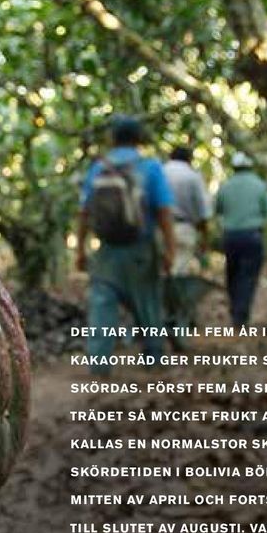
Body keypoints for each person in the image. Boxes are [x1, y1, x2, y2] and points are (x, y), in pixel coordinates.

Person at [76, 115, 176, 364]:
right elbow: (164, 211)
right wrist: (170, 250)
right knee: (147, 305)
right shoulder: (150, 167)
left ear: (112, 139)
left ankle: (99, 365)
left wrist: (79, 249)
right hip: (140, 250)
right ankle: (154, 360)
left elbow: (84, 212)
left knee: (102, 306)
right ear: (139, 139)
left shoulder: (98, 168)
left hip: (106, 251)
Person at [214, 151, 267, 327]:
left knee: (232, 274)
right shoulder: (259, 185)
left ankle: (236, 311)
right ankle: (240, 316)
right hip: (252, 236)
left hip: (231, 237)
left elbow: (217, 210)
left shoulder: (225, 186)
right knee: (248, 277)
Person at [162, 145, 212, 342]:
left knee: (162, 274)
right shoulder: (192, 177)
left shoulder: (159, 172)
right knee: (178, 274)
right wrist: (205, 238)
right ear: (189, 159)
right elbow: (202, 212)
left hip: (159, 229)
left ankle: (162, 317)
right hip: (183, 229)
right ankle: (177, 320)